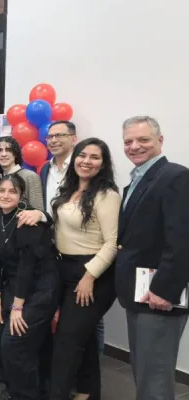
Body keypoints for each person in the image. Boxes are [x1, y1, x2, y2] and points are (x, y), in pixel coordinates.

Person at [115, 116, 189, 400]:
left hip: (158, 296)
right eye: (128, 141)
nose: (134, 146)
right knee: (145, 372)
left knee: (154, 377)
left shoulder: (175, 176)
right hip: (140, 293)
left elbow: (182, 240)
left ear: (160, 141)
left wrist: (163, 290)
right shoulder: (139, 179)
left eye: (143, 140)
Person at [48, 138, 120, 400]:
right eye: (82, 155)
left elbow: (113, 243)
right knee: (84, 338)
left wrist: (90, 275)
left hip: (93, 274)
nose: (86, 161)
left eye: (95, 157)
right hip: (65, 269)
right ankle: (88, 393)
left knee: (66, 342)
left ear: (103, 164)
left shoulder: (107, 195)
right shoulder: (68, 190)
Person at [0, 175, 59, 400]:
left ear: (21, 195)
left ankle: (26, 395)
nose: (6, 195)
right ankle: (12, 386)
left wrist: (17, 308)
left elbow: (27, 266)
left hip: (40, 289)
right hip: (13, 286)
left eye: (12, 192)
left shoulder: (28, 221)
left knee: (13, 340)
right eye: (2, 191)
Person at [0, 136, 44, 211]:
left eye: (8, 150)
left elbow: (38, 210)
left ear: (15, 154)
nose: (3, 154)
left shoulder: (29, 176)